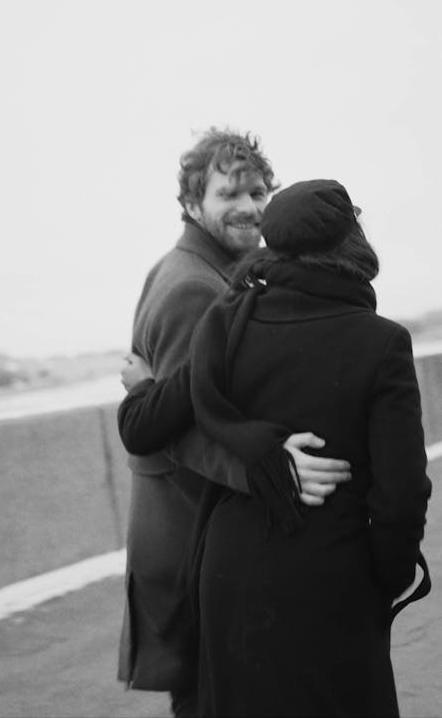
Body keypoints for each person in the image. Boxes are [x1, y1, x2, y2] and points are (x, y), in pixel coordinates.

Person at [121, 179, 432, 717]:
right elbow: (402, 493)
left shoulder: (227, 324)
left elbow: (147, 427)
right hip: (332, 575)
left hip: (228, 577)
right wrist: (386, 578)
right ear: (351, 245)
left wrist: (142, 387)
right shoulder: (382, 342)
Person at [117, 132, 353, 718]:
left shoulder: (207, 271)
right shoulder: (194, 289)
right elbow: (182, 427)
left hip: (189, 532)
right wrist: (273, 469)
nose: (248, 206)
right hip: (188, 536)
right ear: (194, 205)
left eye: (257, 191)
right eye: (229, 193)